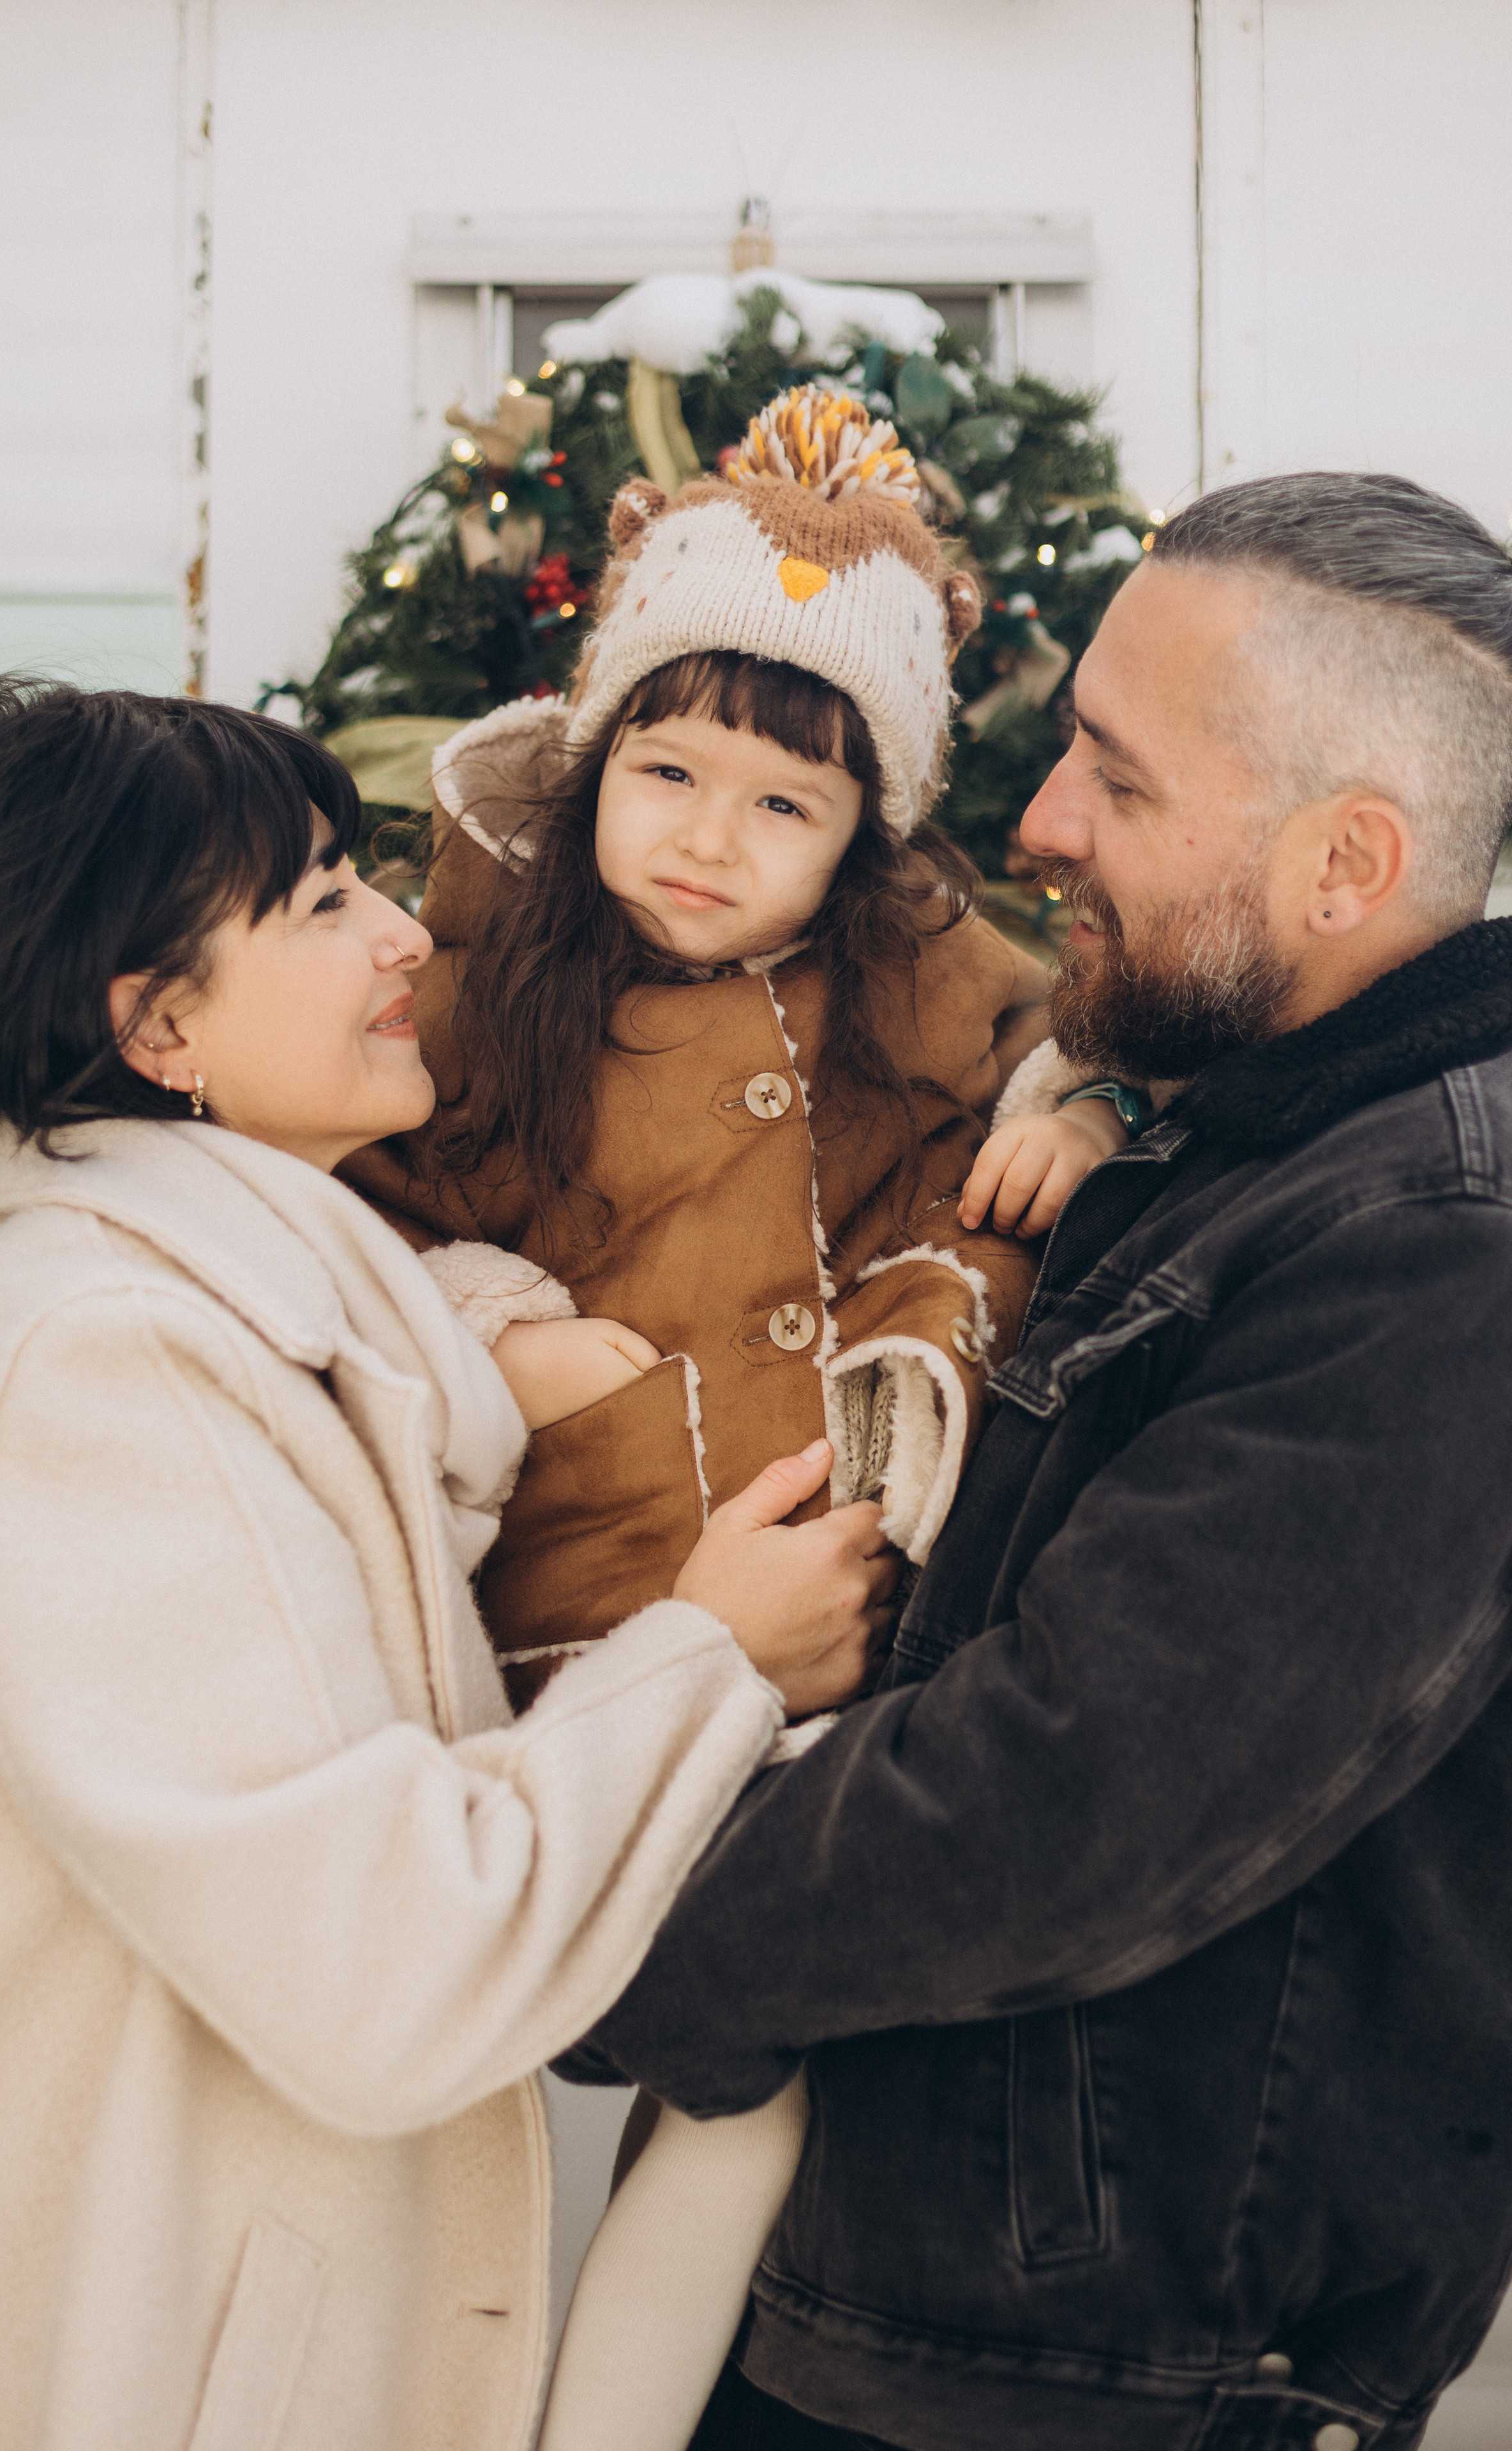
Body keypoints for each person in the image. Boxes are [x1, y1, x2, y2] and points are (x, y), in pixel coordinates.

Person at [556, 471, 1512, 2451]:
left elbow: (1071, 1791)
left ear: (1348, 862)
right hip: (933, 2296)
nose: (1037, 826)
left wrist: (584, 1923)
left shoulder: (1440, 1245)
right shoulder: (1229, 1131)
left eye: (1118, 779)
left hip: (1092, 2376)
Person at [0, 680, 898, 2451]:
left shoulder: (252, 1331)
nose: (404, 932)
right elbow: (384, 1968)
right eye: (322, 900)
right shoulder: (106, 1374)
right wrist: (709, 1655)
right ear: (162, 1026)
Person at [341, 385, 1130, 1712]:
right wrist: (487, 1327)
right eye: (667, 777)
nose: (709, 841)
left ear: (857, 837)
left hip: (867, 1613)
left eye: (782, 804)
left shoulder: (914, 963)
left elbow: (1073, 1037)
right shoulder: (476, 990)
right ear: (597, 760)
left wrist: (1079, 1112)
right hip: (588, 1599)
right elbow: (340, 1215)